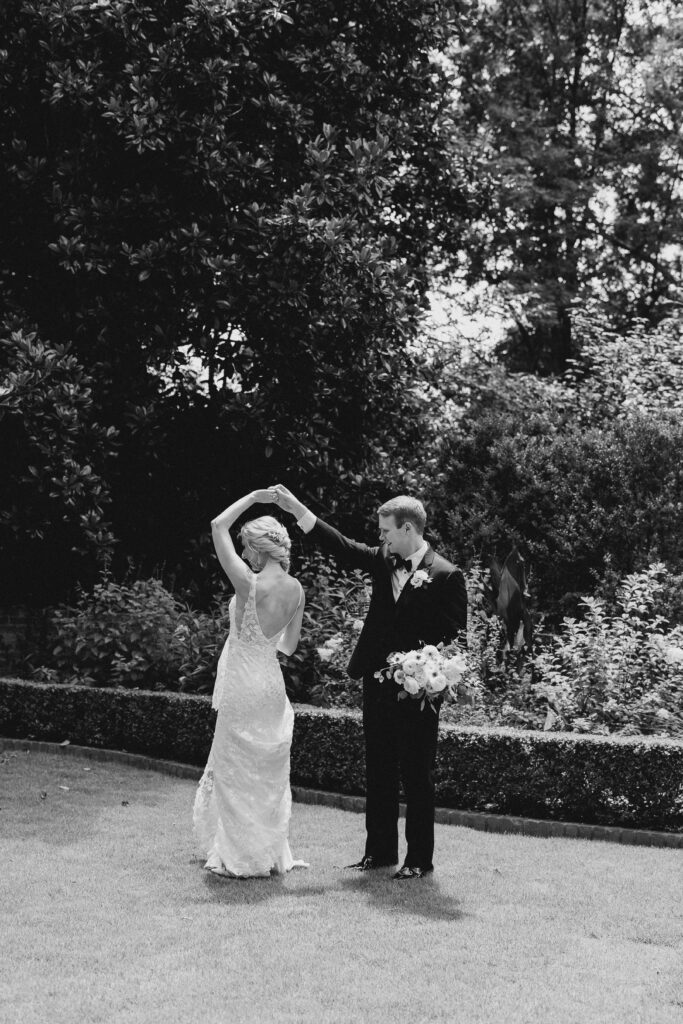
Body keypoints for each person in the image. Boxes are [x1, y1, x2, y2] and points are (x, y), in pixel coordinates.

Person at [272, 485, 467, 880]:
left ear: (408, 529)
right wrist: (296, 508)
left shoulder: (447, 575)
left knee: (417, 775)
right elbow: (341, 546)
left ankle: (418, 860)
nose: (381, 538)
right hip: (376, 686)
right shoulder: (382, 560)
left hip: (420, 694)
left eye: (387, 531)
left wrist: (427, 669)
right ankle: (378, 853)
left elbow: (454, 638)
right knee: (378, 770)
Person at [192, 489, 308, 878]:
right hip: (271, 684)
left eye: (247, 549)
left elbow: (216, 525)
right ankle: (270, 853)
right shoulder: (297, 590)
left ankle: (238, 855)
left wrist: (256, 496)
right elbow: (288, 647)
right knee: (266, 771)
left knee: (234, 768)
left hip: (243, 683)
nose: (244, 556)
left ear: (259, 550)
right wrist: (264, 639)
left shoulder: (248, 582)